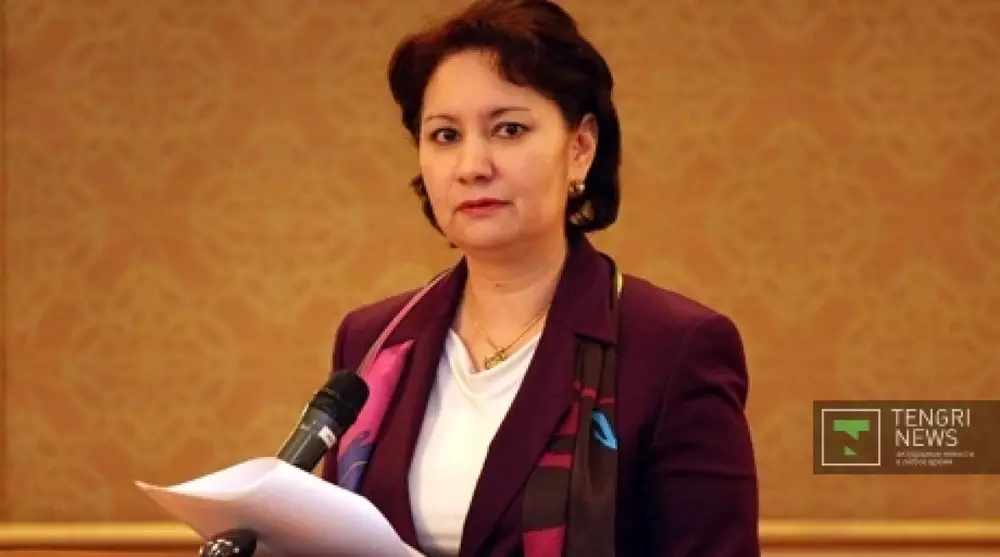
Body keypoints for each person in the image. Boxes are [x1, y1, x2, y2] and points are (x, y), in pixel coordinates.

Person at [321, 1, 760, 556]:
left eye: (509, 129)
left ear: (580, 149)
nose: (472, 166)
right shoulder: (376, 341)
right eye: (445, 135)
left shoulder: (673, 348)